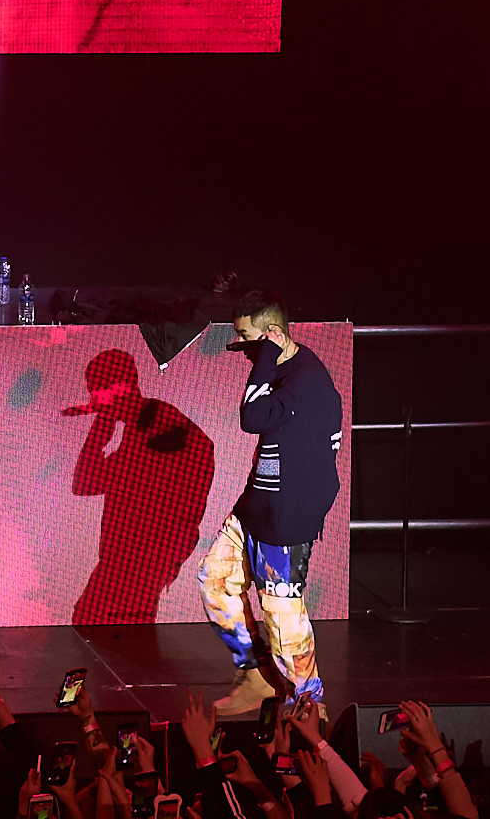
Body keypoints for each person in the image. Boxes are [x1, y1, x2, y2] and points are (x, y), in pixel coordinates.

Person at [199, 289, 342, 715]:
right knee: (216, 579)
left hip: (288, 512)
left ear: (274, 333)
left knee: (282, 615)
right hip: (258, 502)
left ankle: (308, 706)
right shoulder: (283, 370)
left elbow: (252, 417)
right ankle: (257, 676)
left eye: (248, 339)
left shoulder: (304, 382)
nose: (244, 350)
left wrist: (266, 357)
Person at [64, 347, 215, 624]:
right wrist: (100, 431)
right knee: (96, 624)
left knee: (94, 623)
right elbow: (84, 484)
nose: (96, 405)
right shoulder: (141, 428)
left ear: (118, 391)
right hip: (129, 560)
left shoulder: (161, 428)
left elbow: (89, 482)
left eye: (98, 396)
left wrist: (100, 431)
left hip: (139, 562)